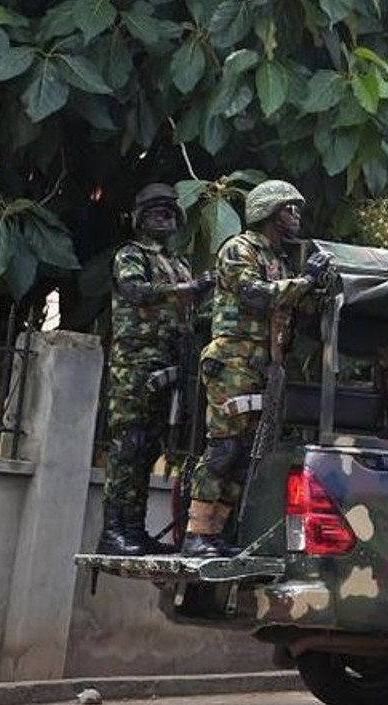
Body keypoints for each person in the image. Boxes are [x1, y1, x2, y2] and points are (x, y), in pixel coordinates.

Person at [181, 180, 333, 557]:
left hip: (264, 365)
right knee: (223, 448)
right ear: (267, 211)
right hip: (232, 358)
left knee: (247, 450)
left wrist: (318, 288)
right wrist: (305, 281)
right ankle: (197, 533)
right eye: (289, 209)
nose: (296, 216)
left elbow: (298, 306)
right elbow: (254, 294)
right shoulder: (239, 249)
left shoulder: (280, 260)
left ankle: (217, 534)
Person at [99, 183, 214, 556]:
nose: (164, 216)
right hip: (134, 366)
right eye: (154, 211)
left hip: (170, 365)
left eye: (169, 210)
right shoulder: (130, 256)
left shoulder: (178, 264)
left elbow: (191, 314)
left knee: (149, 450)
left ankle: (134, 531)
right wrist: (189, 289)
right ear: (139, 219)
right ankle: (113, 531)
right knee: (127, 448)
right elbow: (135, 291)